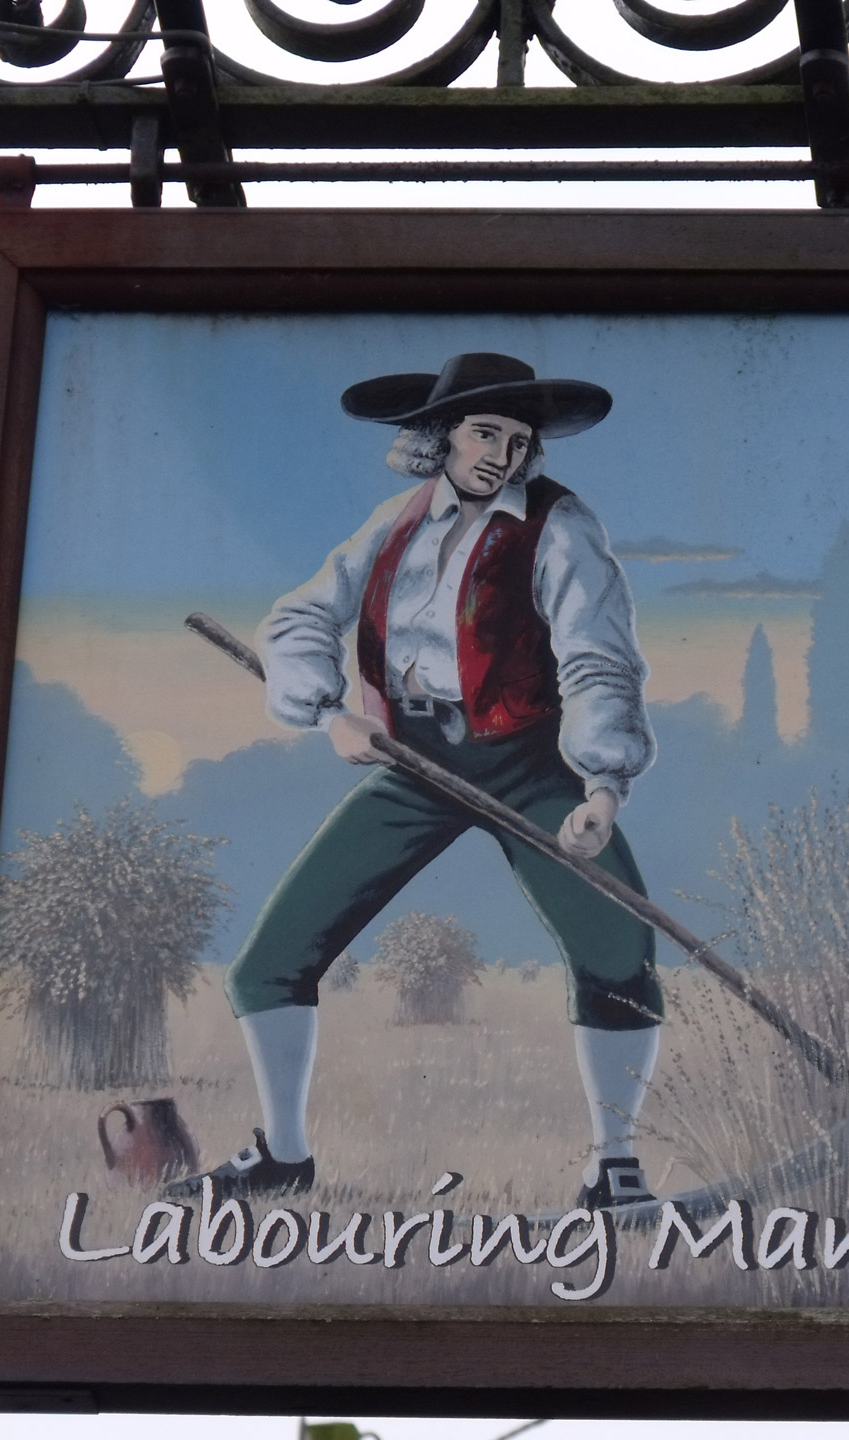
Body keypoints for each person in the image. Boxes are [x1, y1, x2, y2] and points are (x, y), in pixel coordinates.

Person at [167, 352, 662, 1212]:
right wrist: (331, 714)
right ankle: (284, 1156)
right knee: (270, 962)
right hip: (411, 763)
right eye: (483, 433)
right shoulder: (394, 524)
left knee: (619, 949)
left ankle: (613, 1164)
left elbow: (596, 656)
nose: (501, 453)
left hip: (528, 763)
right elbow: (299, 617)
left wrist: (603, 788)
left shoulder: (560, 526)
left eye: (517, 439)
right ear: (440, 438)